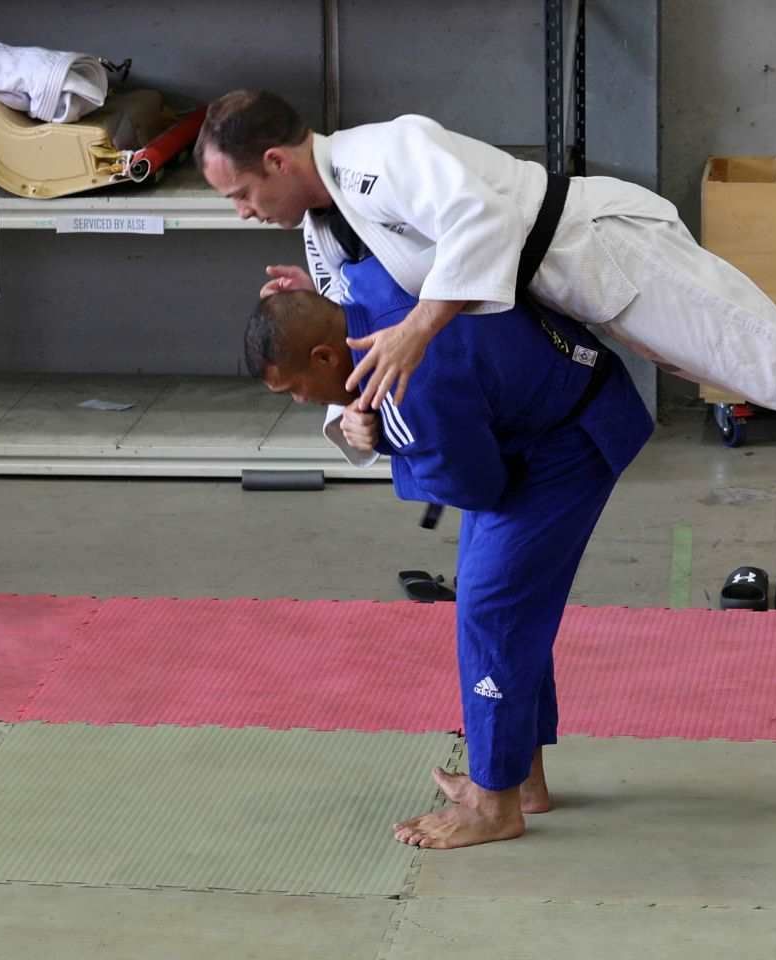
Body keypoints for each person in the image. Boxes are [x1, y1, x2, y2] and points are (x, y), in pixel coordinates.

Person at [194, 89, 776, 542]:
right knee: (769, 357)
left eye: (240, 193)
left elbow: (481, 219)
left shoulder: (386, 151)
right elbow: (353, 310)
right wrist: (323, 312)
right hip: (587, 283)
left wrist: (423, 322)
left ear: (274, 159)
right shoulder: (322, 229)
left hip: (604, 246)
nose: (239, 211)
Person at [247, 248, 652, 849]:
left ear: (327, 356)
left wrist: (386, 438)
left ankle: (495, 805)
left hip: (568, 439)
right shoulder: (367, 286)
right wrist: (316, 293)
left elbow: (478, 488)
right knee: (503, 604)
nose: (303, 403)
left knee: (492, 606)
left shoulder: (411, 394)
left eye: (297, 390)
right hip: (548, 397)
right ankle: (522, 780)